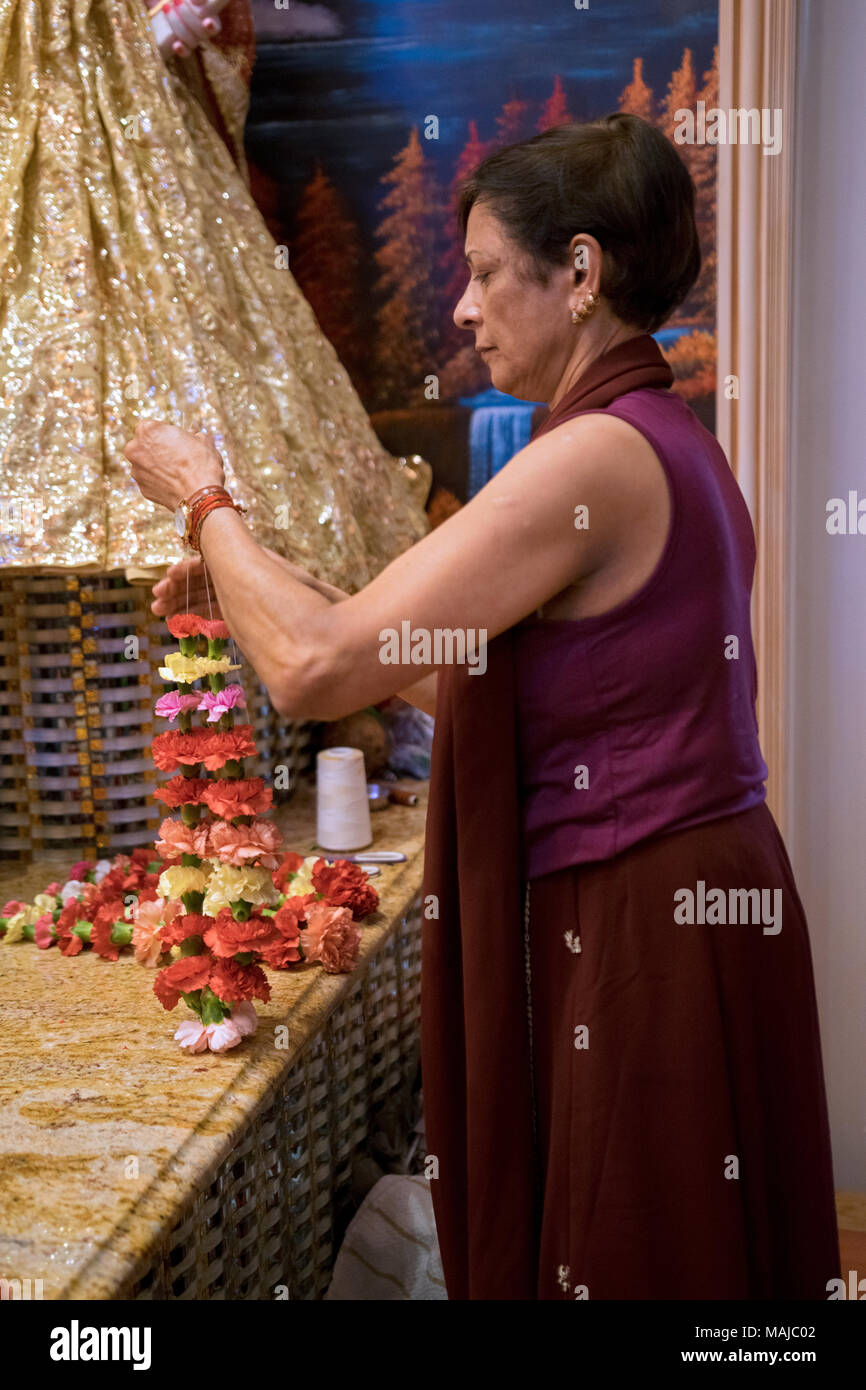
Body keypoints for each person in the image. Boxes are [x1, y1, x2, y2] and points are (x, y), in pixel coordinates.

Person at [127, 112, 840, 1301]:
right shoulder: (660, 438)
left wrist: (204, 497)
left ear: (578, 273)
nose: (459, 309)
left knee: (640, 1248)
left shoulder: (589, 460)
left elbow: (317, 667)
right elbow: (441, 669)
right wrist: (260, 585)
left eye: (483, 273)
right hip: (675, 896)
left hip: (639, 919)